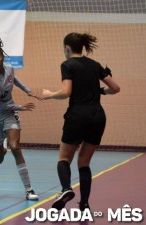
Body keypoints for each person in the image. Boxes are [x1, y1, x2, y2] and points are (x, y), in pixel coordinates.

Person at [42, 32, 120, 210]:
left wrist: (49, 95)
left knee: (63, 158)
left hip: (78, 115)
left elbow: (66, 92)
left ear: (67, 48)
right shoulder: (95, 65)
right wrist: (100, 92)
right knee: (84, 162)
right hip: (98, 116)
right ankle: (84, 204)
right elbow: (115, 88)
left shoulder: (68, 64)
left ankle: (66, 189)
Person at [0, 31, 41, 200]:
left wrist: (28, 91)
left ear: (2, 57)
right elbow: (0, 102)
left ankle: (29, 190)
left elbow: (13, 78)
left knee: (16, 147)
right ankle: (3, 142)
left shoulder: (9, 68)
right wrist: (21, 107)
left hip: (8, 114)